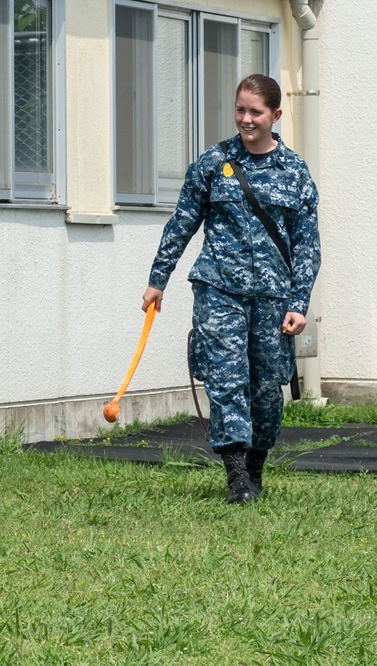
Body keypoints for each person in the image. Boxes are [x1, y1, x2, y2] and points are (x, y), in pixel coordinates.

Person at [141, 74, 321, 504]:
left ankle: (255, 470)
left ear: (275, 115)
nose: (245, 119)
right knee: (225, 380)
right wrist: (157, 280)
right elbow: (182, 222)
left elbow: (308, 244)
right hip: (218, 288)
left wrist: (299, 303)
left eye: (255, 111)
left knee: (265, 387)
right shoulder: (212, 163)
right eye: (240, 109)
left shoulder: (294, 171)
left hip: (274, 299)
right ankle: (237, 477)